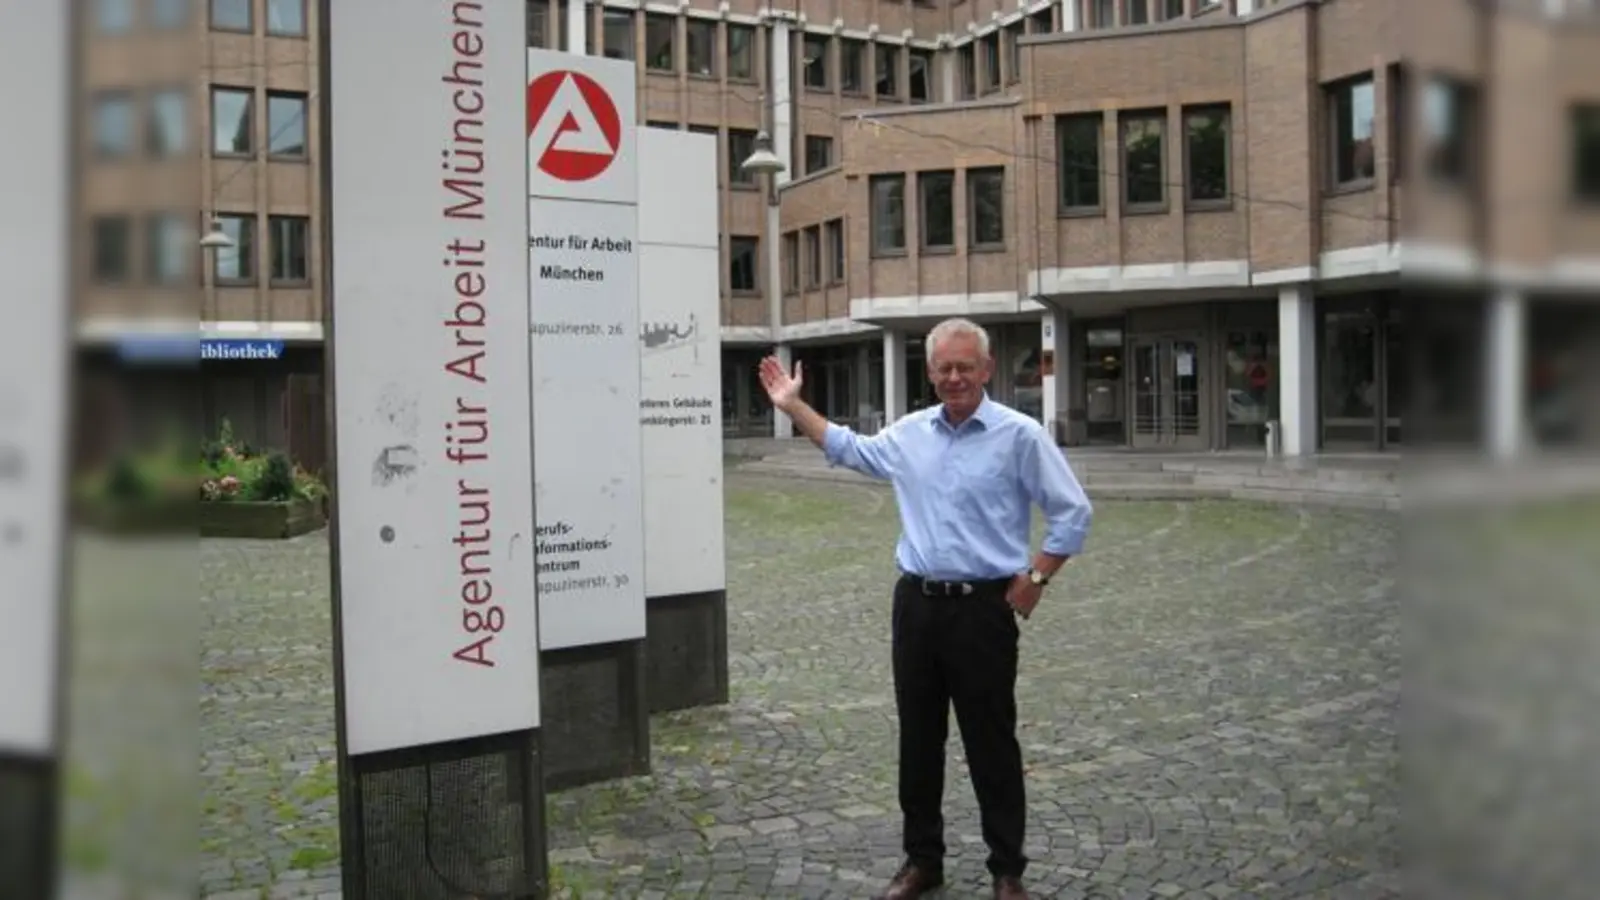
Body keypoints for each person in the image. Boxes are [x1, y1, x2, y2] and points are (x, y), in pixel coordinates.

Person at [757, 317, 1093, 900]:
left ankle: (1007, 870)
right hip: (917, 606)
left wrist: (1038, 575)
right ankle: (922, 861)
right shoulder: (910, 434)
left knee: (992, 741)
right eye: (944, 368)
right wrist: (793, 405)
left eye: (966, 367)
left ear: (986, 370)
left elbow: (1073, 511)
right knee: (918, 741)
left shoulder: (1020, 435)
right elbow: (848, 448)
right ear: (930, 372)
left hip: (983, 610)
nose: (955, 377)